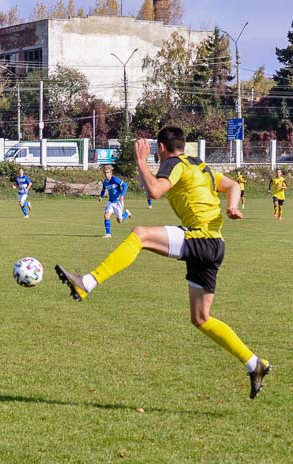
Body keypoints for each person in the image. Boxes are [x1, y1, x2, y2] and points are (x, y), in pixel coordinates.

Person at [55, 127, 271, 399]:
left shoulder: (174, 164)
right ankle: (255, 364)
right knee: (201, 318)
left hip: (200, 238)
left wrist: (141, 162)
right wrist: (233, 206)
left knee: (140, 235)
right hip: (215, 245)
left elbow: (155, 191)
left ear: (161, 147)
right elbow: (234, 185)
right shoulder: (199, 165)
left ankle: (86, 282)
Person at [99, 165, 132, 238]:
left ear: (111, 173)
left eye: (108, 172)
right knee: (106, 216)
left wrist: (122, 195)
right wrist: (101, 196)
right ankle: (108, 234)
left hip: (118, 202)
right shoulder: (105, 182)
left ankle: (126, 213)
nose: (106, 174)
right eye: (105, 172)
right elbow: (103, 190)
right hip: (111, 201)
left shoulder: (114, 179)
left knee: (119, 221)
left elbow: (125, 185)